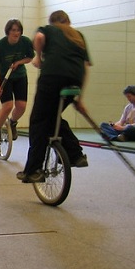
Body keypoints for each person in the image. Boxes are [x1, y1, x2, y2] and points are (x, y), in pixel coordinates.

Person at [18, 10, 91, 183]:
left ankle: (34, 170)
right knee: (52, 117)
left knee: (38, 120)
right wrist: (80, 98)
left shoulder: (49, 30)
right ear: (68, 21)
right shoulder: (78, 36)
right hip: (75, 80)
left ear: (52, 22)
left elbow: (39, 39)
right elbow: (86, 67)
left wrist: (39, 59)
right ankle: (76, 155)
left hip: (53, 77)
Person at [0, 19, 35, 147]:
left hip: (20, 76)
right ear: (8, 31)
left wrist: (19, 62)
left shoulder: (25, 42)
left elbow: (30, 57)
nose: (16, 33)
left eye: (18, 30)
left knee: (21, 106)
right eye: (13, 30)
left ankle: (12, 122)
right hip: (3, 77)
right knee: (8, 106)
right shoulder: (0, 46)